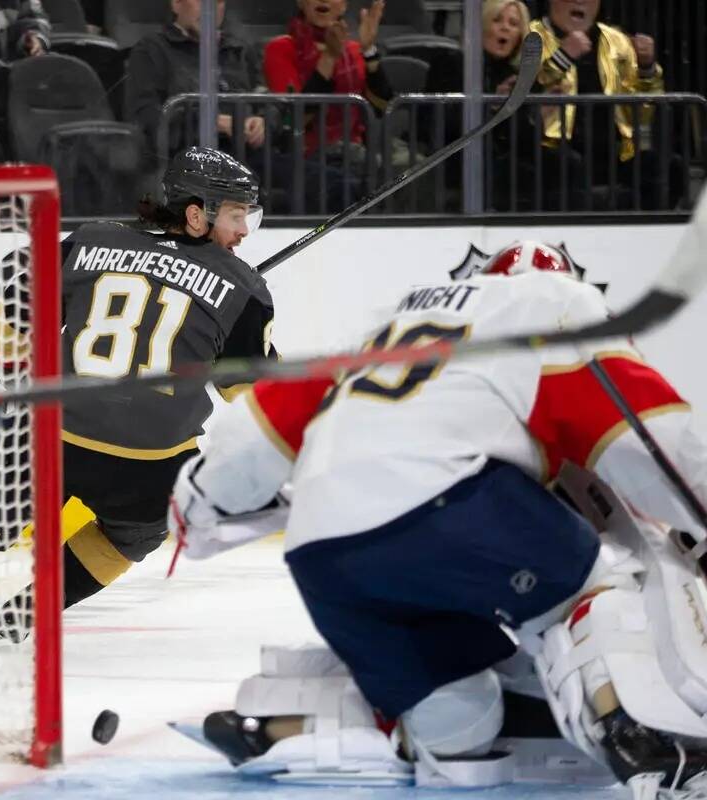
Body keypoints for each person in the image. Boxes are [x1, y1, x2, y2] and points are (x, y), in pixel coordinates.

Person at [168, 236, 707, 790]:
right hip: (448, 503)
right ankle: (652, 749)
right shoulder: (555, 303)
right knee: (601, 588)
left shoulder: (382, 324)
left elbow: (256, 432)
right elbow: (647, 440)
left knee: (462, 732)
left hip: (321, 550)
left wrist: (193, 511)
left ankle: (301, 728)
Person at [0, 147, 277, 643]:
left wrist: (24, 388)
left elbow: (3, 327)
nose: (243, 230)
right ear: (196, 214)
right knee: (136, 532)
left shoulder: (91, 241)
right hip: (145, 465)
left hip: (47, 434)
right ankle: (25, 614)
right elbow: (253, 397)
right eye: (237, 215)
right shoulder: (243, 287)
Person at [427, 0, 590, 212]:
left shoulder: (512, 75)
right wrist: (492, 107)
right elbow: (439, 122)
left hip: (503, 156)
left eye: (513, 24)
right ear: (482, 25)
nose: (505, 27)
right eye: (497, 20)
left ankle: (566, 229)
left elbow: (520, 140)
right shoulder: (451, 62)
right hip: (456, 154)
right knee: (495, 162)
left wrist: (537, 117)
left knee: (568, 162)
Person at [531, 0, 685, 209]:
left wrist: (647, 70)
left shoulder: (617, 41)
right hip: (555, 149)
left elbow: (642, 114)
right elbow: (528, 85)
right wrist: (563, 55)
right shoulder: (531, 34)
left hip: (614, 153)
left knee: (670, 166)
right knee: (568, 164)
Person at [261, 0, 391, 210]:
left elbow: (382, 107)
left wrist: (368, 51)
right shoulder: (281, 49)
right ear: (301, 3)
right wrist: (329, 57)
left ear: (344, 5)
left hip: (358, 149)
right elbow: (294, 118)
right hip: (304, 153)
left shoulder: (355, 50)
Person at [125, 0, 268, 166]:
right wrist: (211, 123)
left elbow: (269, 102)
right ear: (176, 4)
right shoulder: (151, 50)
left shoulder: (240, 50)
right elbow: (146, 118)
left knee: (301, 172)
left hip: (247, 158)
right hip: (185, 162)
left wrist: (263, 122)